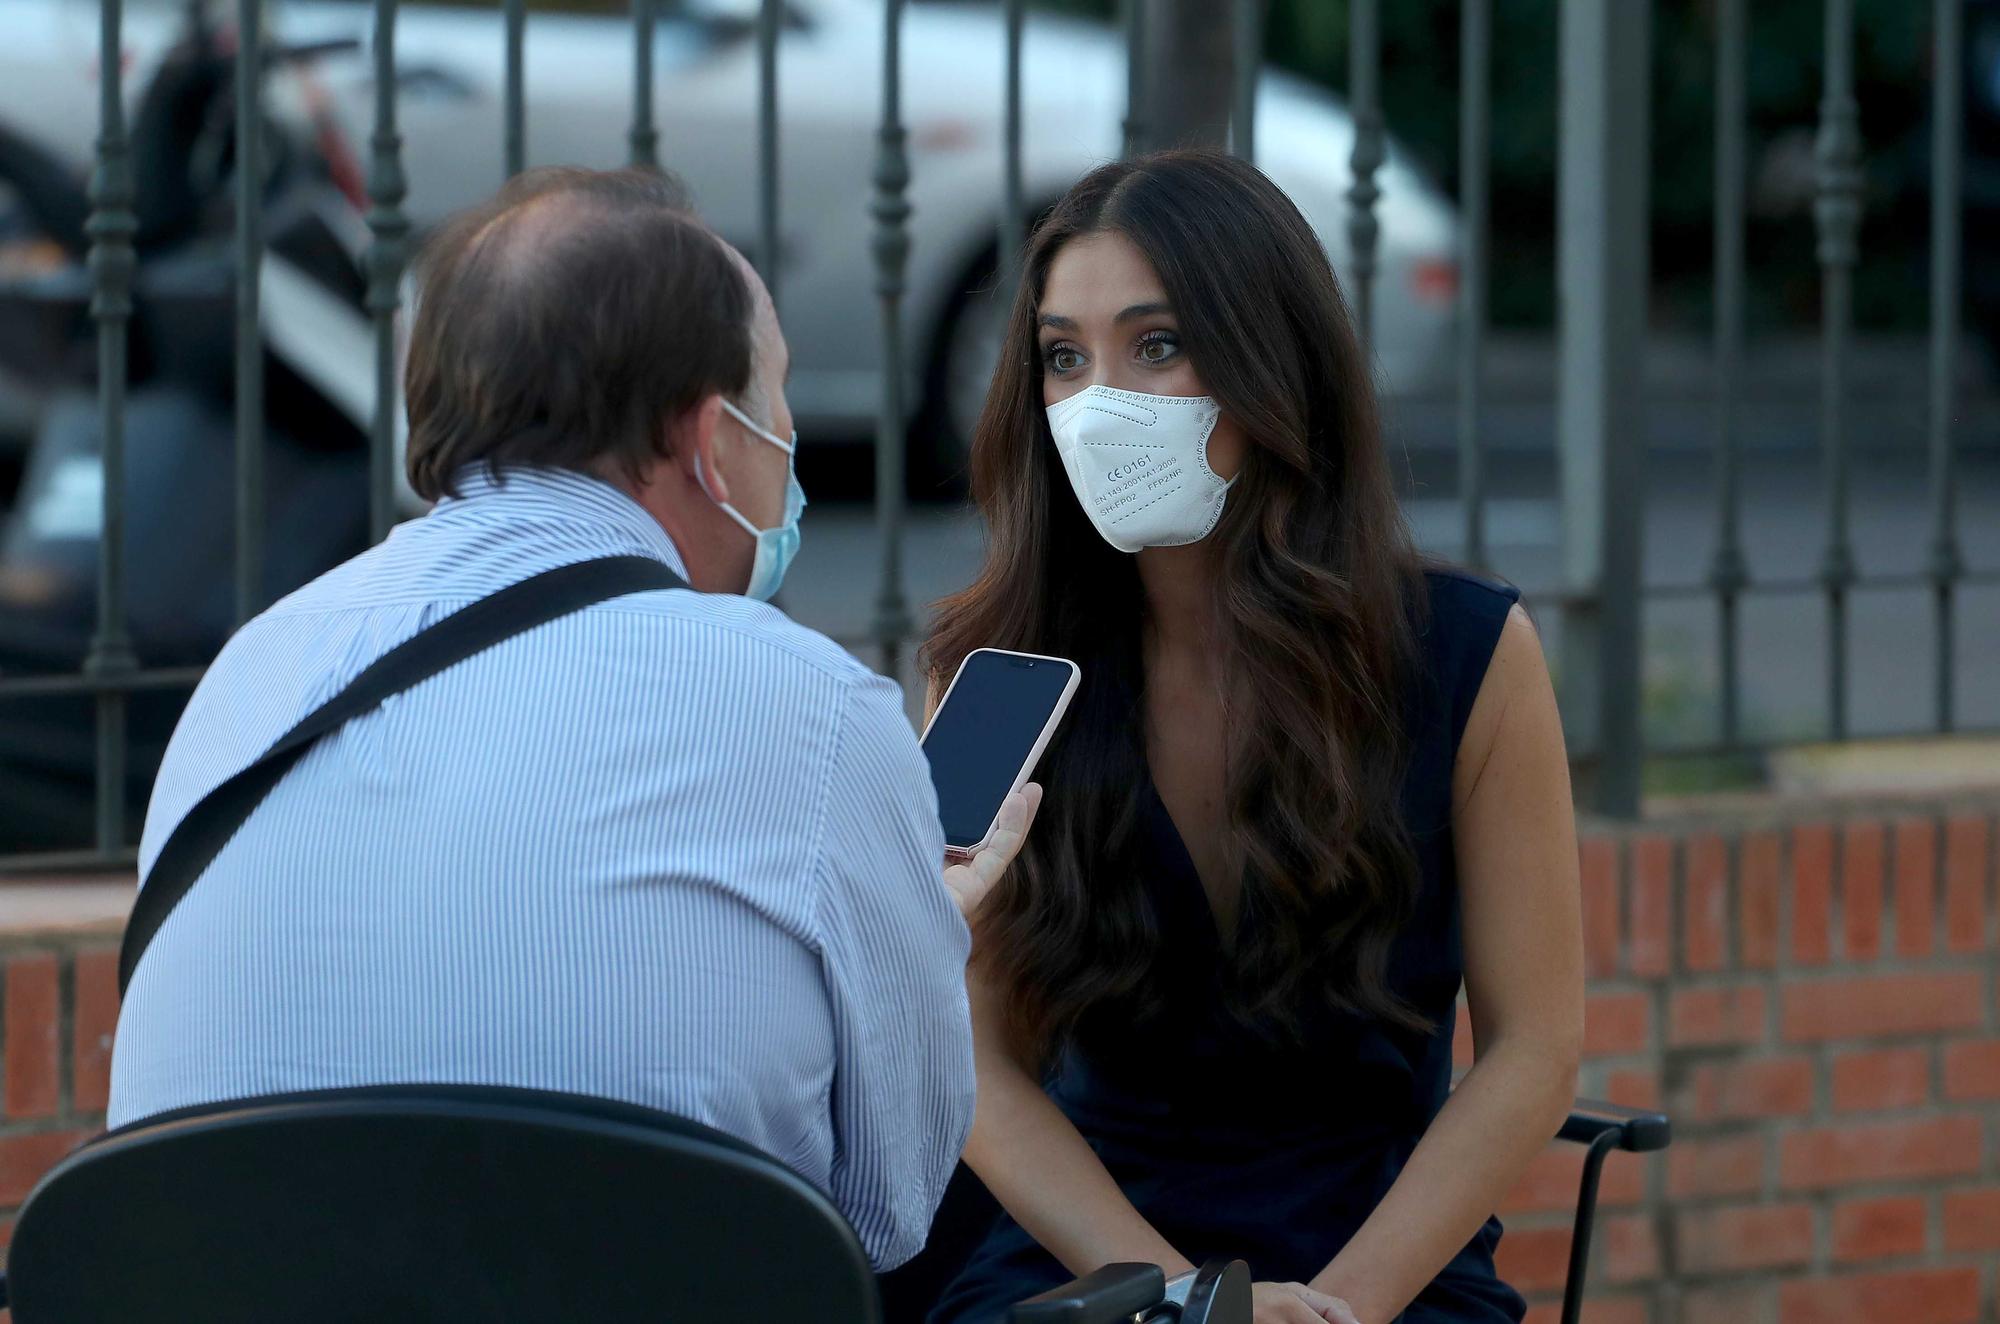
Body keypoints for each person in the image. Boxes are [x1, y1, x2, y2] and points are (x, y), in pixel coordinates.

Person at [108, 166, 1036, 1272]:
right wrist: (922, 937)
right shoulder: (808, 709)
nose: (786, 438)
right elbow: (883, 1217)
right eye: (775, 392)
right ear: (709, 437)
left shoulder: (252, 671)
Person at [919, 151, 1584, 1324]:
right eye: (1063, 356)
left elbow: (1532, 1047)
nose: (1099, 399)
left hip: (1381, 1268)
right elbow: (971, 1058)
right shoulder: (994, 677)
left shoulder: (1467, 655)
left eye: (1156, 344)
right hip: (1092, 1269)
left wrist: (1336, 1307)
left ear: (1274, 363)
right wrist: (1188, 1303)